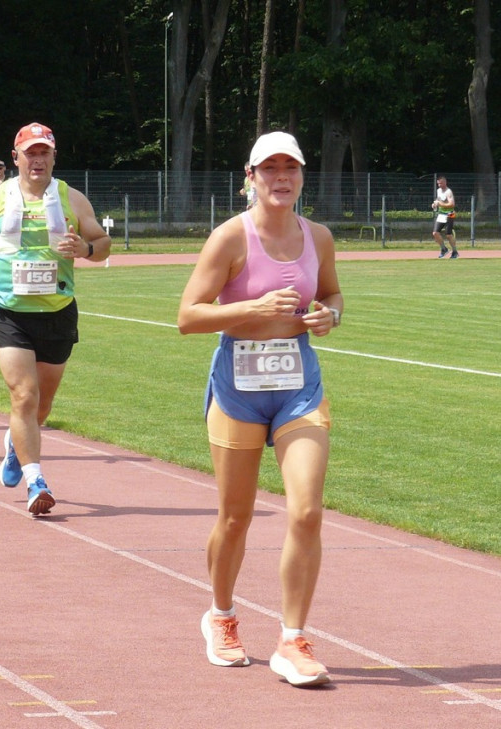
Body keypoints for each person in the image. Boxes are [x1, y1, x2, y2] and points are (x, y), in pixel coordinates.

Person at [177, 131, 343, 687]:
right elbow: (187, 316)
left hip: (298, 383)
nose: (280, 178)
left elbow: (334, 294)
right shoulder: (230, 238)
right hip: (238, 387)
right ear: (250, 177)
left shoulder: (318, 237)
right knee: (235, 517)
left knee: (307, 511)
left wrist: (329, 315)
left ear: (301, 176)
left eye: (289, 168)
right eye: (268, 169)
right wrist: (251, 306)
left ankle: (293, 639)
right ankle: (221, 616)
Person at [0, 122, 111, 515]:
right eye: (30, 153)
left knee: (40, 407)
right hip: (10, 312)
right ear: (16, 158)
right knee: (23, 396)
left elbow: (103, 244)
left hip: (58, 313)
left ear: (54, 157)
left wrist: (86, 247)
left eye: (44, 152)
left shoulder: (72, 199)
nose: (38, 159)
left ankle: (15, 445)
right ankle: (36, 481)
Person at [432, 175, 458, 258]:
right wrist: (435, 204)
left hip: (450, 214)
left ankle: (455, 251)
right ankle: (444, 249)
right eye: (438, 183)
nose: (439, 185)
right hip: (441, 214)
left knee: (448, 234)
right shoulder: (439, 190)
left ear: (445, 182)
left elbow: (452, 204)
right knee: (435, 233)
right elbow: (438, 200)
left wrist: (441, 204)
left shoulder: (448, 191)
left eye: (441, 183)